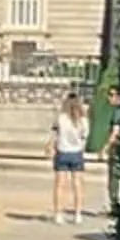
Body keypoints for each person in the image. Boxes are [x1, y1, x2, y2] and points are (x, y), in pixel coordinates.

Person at [50, 92, 90, 223]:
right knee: (77, 185)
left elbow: (55, 134)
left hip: (62, 151)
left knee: (59, 185)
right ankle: (78, 214)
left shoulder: (61, 118)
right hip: (76, 152)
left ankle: (58, 213)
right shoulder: (83, 120)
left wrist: (51, 146)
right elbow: (84, 137)